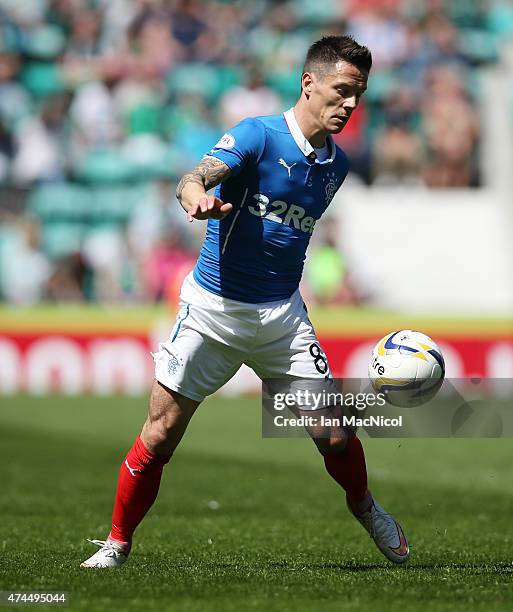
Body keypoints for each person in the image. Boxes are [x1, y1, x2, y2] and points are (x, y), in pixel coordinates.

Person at [81, 35, 409, 569]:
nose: (350, 105)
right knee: (160, 433)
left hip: (282, 318)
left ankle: (366, 507)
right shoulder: (259, 134)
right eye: (342, 90)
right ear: (309, 83)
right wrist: (199, 200)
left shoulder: (337, 166)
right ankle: (117, 543)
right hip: (213, 310)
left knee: (333, 433)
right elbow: (194, 177)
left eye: (359, 94)